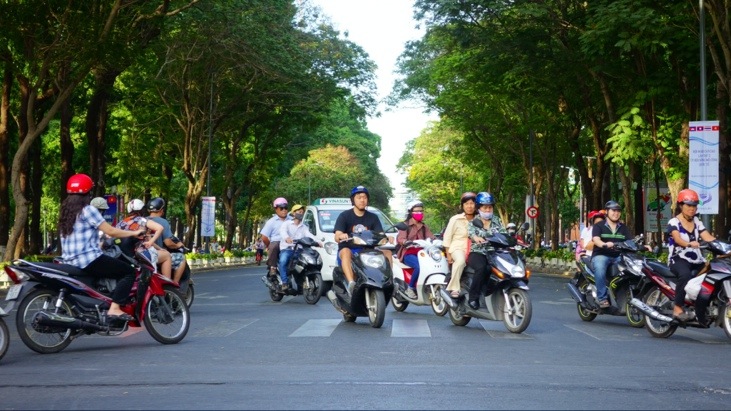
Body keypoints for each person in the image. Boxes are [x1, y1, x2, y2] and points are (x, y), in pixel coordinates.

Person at [59, 174, 146, 321]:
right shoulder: (88, 210)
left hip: (68, 260)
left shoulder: (66, 211)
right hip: (88, 259)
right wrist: (134, 232)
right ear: (88, 193)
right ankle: (115, 308)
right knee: (129, 272)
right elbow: (110, 231)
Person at [334, 185, 393, 295]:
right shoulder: (344, 216)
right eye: (359, 197)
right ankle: (351, 283)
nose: (362, 200)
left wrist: (387, 237)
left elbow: (380, 233)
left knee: (387, 253)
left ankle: (389, 281)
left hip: (368, 251)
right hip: (351, 251)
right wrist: (341, 235)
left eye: (365, 197)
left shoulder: (373, 217)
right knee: (345, 251)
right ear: (353, 200)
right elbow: (337, 236)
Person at [666, 189, 715, 322]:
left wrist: (723, 246)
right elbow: (677, 239)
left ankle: (701, 305)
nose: (692, 208)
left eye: (694, 205)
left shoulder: (697, 222)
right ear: (681, 205)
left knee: (713, 272)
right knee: (685, 275)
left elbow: (708, 237)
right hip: (678, 258)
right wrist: (688, 244)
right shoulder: (674, 222)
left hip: (697, 259)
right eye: (688, 205)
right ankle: (677, 308)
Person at [465, 192, 506, 309]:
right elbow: (471, 234)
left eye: (490, 207)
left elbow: (503, 234)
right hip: (478, 251)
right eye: (485, 207)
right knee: (482, 268)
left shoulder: (497, 220)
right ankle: (473, 298)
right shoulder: (474, 222)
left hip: (495, 252)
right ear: (479, 208)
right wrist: (476, 238)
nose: (488, 210)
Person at [117, 198, 173, 279]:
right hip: (141, 254)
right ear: (141, 210)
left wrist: (160, 248)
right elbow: (160, 228)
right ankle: (168, 284)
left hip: (124, 256)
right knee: (167, 255)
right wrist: (151, 243)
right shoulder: (142, 220)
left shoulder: (121, 223)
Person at [591, 200, 633, 309]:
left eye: (618, 211)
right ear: (607, 212)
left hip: (619, 256)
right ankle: (602, 298)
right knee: (600, 267)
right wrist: (604, 244)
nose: (616, 213)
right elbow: (596, 240)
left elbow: (630, 242)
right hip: (601, 255)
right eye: (613, 210)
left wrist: (644, 246)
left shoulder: (623, 227)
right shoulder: (598, 226)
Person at [396, 200, 435, 299]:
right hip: (408, 253)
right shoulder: (405, 225)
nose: (419, 213)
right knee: (419, 266)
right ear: (410, 212)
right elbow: (400, 238)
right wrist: (406, 242)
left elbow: (431, 237)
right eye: (417, 211)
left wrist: (437, 241)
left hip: (422, 253)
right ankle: (410, 288)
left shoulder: (424, 226)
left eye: (421, 211)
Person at [277, 204, 322, 290]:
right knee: (283, 261)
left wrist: (317, 242)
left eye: (302, 212)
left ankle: (302, 281)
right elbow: (283, 232)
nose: (301, 213)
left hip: (299, 250)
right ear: (293, 213)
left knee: (307, 262)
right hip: (287, 249)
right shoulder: (286, 224)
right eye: (299, 212)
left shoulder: (304, 226)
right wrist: (287, 238)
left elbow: (309, 235)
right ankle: (284, 282)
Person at [442, 192, 477, 298]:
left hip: (475, 248)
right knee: (460, 261)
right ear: (462, 206)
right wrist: (448, 254)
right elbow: (447, 237)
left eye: (472, 203)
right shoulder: (455, 219)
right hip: (458, 247)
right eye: (467, 204)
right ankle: (454, 287)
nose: (469, 206)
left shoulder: (479, 219)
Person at [146, 197, 188, 284]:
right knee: (181, 258)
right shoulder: (163, 222)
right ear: (161, 210)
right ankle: (174, 286)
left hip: (143, 255)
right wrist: (178, 245)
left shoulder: (143, 220)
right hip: (157, 255)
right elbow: (168, 243)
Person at [260, 197, 292, 278]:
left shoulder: (292, 220)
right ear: (276, 209)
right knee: (273, 246)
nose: (284, 210)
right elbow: (264, 237)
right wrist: (269, 245)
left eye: (285, 208)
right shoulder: (271, 222)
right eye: (281, 208)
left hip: (291, 243)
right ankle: (273, 268)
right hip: (278, 243)